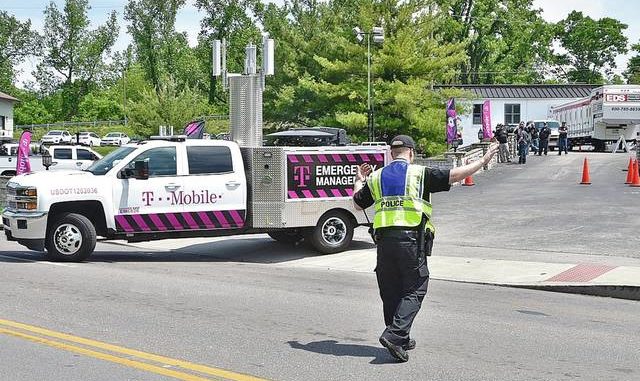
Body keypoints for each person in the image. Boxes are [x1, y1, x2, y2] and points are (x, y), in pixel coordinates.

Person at [352, 135, 499, 362]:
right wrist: (483, 161)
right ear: (411, 152)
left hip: (384, 243)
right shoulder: (419, 173)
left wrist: (360, 179)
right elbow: (456, 175)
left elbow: (357, 202)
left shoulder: (376, 177)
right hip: (411, 241)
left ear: (392, 153)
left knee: (391, 290)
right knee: (415, 288)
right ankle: (395, 334)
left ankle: (400, 337)